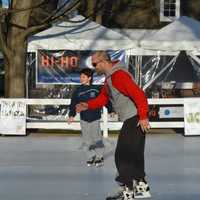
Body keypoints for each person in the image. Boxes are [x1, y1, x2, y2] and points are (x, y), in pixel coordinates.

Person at [76, 51, 151, 199]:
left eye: (94, 64)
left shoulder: (118, 76)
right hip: (133, 118)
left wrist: (143, 117)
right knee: (134, 154)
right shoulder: (110, 78)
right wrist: (88, 105)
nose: (93, 67)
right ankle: (141, 187)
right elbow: (103, 98)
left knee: (122, 156)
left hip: (134, 119)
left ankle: (128, 191)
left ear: (104, 62)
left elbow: (139, 95)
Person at [68, 68, 112, 167]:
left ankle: (99, 157)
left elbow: (104, 101)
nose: (81, 78)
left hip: (95, 118)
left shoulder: (96, 89)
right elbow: (73, 104)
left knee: (97, 139)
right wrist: (71, 115)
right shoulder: (77, 91)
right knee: (87, 140)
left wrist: (111, 110)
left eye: (83, 77)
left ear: (89, 78)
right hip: (84, 119)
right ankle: (91, 156)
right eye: (80, 77)